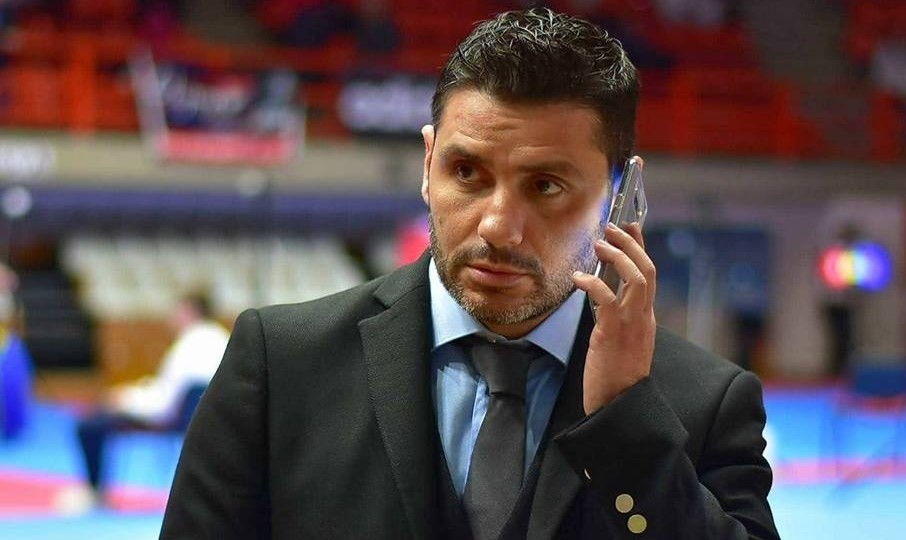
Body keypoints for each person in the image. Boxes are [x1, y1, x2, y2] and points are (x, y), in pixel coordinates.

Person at [161, 8, 779, 539]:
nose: (498, 227)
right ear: (427, 162)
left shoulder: (703, 402)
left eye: (545, 185)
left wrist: (626, 426)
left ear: (621, 194)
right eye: (466, 173)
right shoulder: (281, 366)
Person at [58, 294, 229, 511]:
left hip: (170, 417)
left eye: (178, 311)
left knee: (89, 426)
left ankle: (94, 491)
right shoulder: (222, 338)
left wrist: (124, 399)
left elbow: (164, 404)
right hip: (206, 419)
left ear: (190, 311)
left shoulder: (188, 344)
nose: (172, 316)